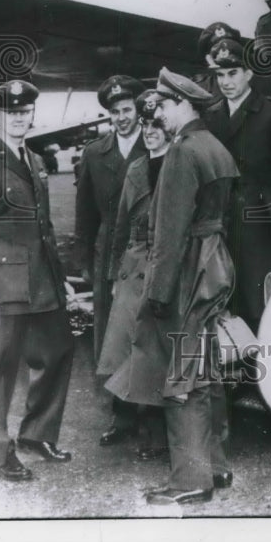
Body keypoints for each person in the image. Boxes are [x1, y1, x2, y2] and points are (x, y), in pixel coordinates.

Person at [125, 69, 239, 506]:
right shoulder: (217, 148)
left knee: (183, 376)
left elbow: (169, 233)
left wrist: (156, 292)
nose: (161, 115)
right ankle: (215, 465)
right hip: (214, 266)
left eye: (165, 106)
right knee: (204, 370)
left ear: (183, 104)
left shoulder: (182, 153)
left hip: (187, 271)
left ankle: (190, 479)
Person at [0, 80, 74, 481]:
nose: (19, 119)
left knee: (57, 351)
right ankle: (0, 453)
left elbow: (45, 227)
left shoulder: (35, 159)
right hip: (6, 282)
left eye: (24, 113)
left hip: (42, 277)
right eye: (11, 113)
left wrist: (61, 279)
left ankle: (37, 433)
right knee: (1, 369)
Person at [204, 38, 271, 329]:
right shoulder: (211, 116)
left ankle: (266, 369)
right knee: (229, 301)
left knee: (262, 300)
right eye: (220, 75)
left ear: (249, 74)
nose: (226, 82)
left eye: (232, 73)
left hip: (262, 220)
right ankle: (239, 371)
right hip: (224, 219)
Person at [74, 74, 145, 446]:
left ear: (138, 109)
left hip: (144, 252)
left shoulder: (155, 145)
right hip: (107, 258)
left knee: (144, 332)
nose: (122, 118)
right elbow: (84, 212)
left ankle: (151, 416)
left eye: (127, 109)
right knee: (110, 339)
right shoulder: (94, 153)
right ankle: (122, 417)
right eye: (114, 112)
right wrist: (85, 260)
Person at [99, 91, 170, 460]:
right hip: (134, 263)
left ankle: (156, 433)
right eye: (146, 125)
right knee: (124, 343)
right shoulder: (137, 169)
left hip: (165, 264)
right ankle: (122, 419)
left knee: (156, 348)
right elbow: (122, 225)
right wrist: (115, 273)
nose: (150, 131)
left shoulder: (180, 162)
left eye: (157, 123)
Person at [194, 21, 243, 100]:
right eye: (216, 49)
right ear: (208, 59)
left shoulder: (253, 84)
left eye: (231, 44)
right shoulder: (198, 89)